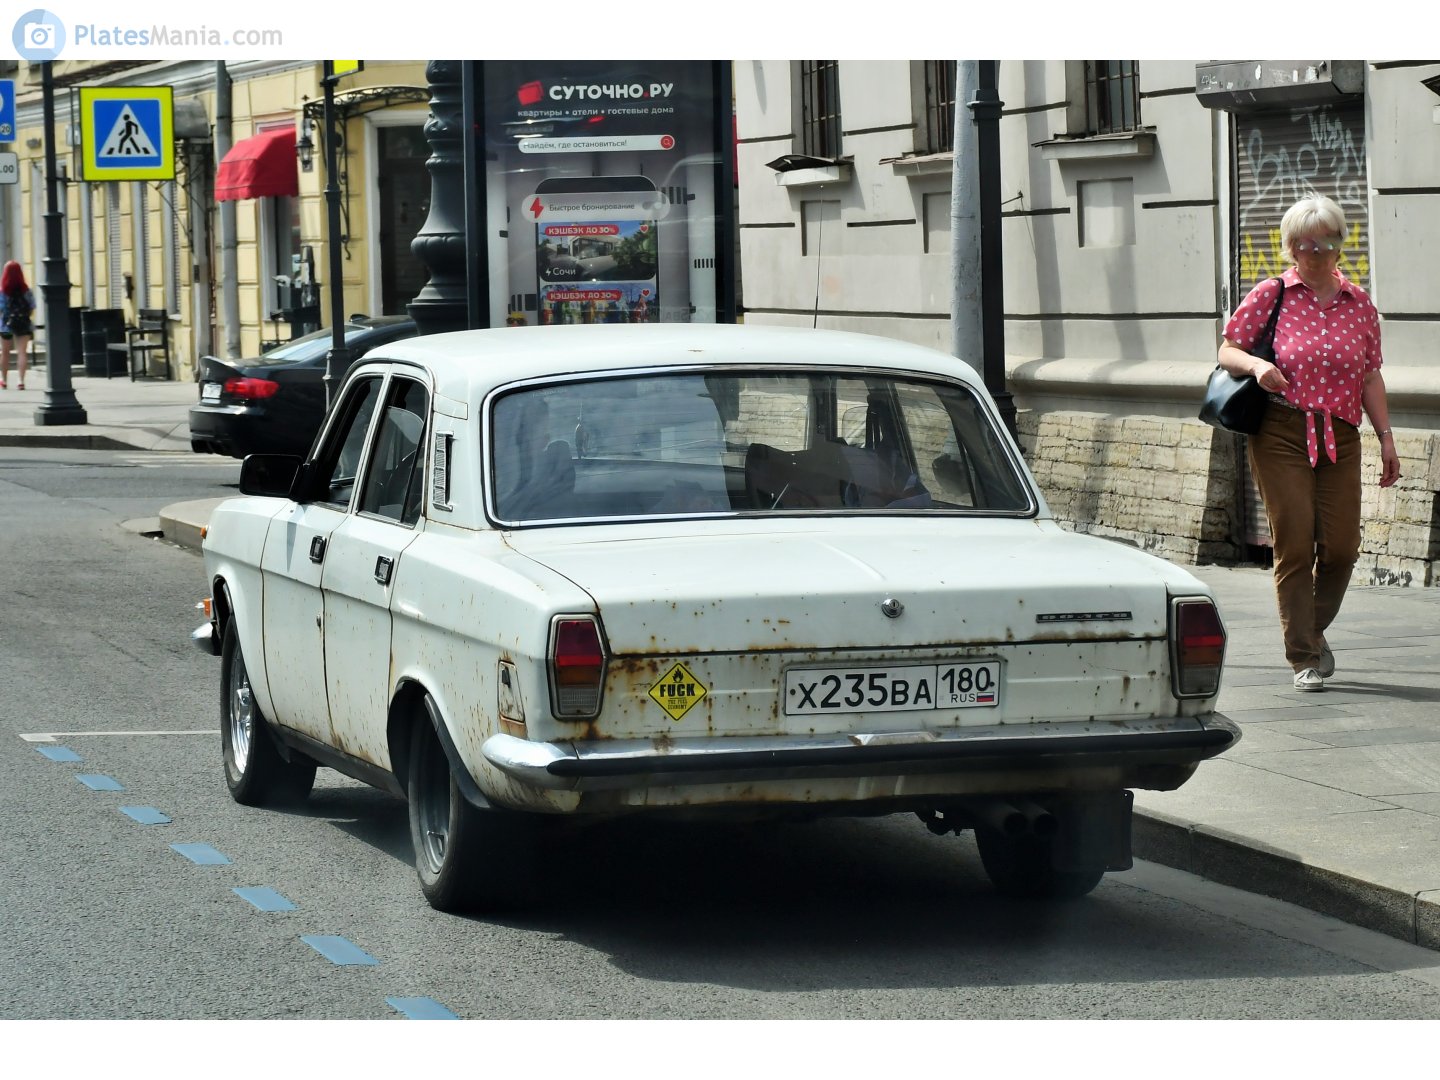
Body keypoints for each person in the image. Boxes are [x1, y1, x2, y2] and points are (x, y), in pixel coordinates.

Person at [1217, 195, 1400, 692]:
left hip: (1341, 433)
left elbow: (1370, 376)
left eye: (1326, 243)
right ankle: (1302, 655)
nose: (1316, 253)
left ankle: (1311, 631)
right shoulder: (1271, 293)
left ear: (1340, 245)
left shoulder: (1360, 304)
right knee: (1295, 542)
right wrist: (1258, 365)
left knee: (1341, 548)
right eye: (1305, 244)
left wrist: (1386, 438)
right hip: (1281, 430)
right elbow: (1228, 349)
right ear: (1291, 247)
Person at [1, 260, 37, 391]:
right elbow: (32, 307)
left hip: (6, 325)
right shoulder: (26, 291)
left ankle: (4, 380)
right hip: (23, 324)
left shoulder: (2, 291)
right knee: (22, 352)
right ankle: (20, 381)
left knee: (5, 352)